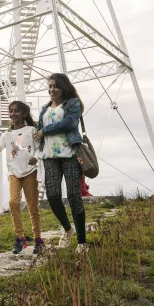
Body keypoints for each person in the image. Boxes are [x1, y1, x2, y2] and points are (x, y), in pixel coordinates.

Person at [0, 100, 44, 255]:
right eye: (10, 111)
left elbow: (39, 149)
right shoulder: (8, 134)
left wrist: (36, 158)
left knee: (32, 207)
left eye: (16, 111)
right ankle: (20, 238)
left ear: (24, 113)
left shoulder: (31, 130)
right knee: (13, 202)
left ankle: (38, 239)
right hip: (13, 173)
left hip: (30, 171)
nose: (12, 114)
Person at [33, 73, 88, 255]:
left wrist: (44, 130)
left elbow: (70, 123)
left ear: (64, 87)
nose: (51, 89)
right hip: (50, 157)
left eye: (55, 86)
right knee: (53, 196)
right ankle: (67, 229)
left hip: (70, 154)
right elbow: (38, 129)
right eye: (49, 86)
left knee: (73, 196)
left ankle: (82, 242)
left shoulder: (73, 103)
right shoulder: (44, 108)